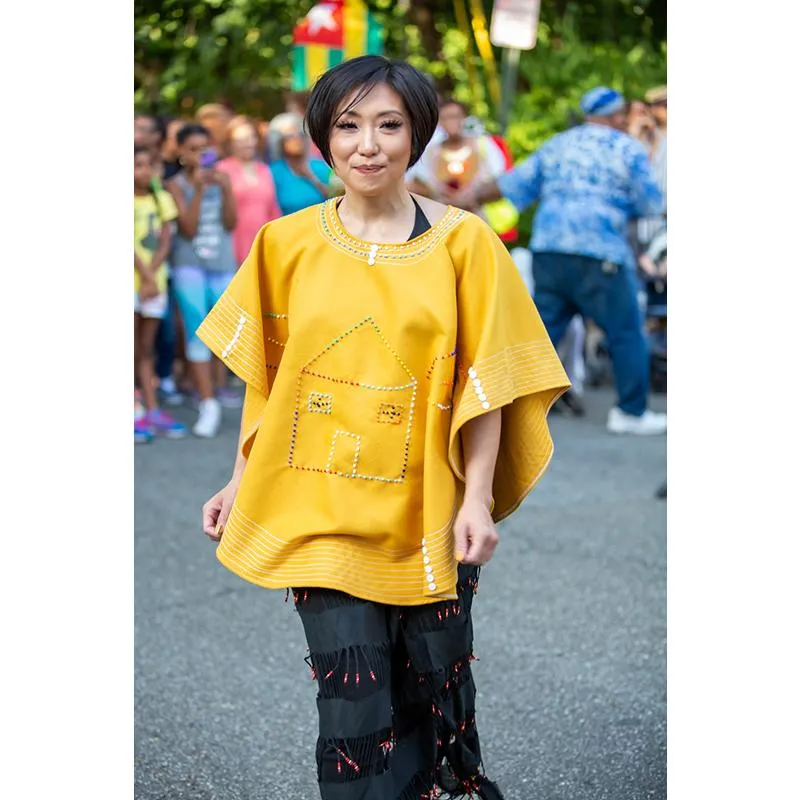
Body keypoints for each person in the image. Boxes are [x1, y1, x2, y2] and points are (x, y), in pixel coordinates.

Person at [197, 55, 570, 800]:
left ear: (417, 135)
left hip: (429, 509)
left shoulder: (467, 246)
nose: (368, 144)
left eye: (389, 125)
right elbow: (272, 380)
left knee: (432, 693)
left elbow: (488, 383)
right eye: (348, 125)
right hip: (317, 514)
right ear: (323, 139)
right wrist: (241, 479)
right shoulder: (284, 244)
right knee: (353, 701)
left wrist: (476, 500)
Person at [451, 86, 667, 435]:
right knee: (626, 331)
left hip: (549, 250)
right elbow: (651, 204)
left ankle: (510, 406)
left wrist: (464, 197)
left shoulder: (559, 143)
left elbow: (511, 184)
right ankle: (630, 411)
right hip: (601, 252)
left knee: (541, 331)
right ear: (616, 116)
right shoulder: (626, 148)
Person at [166, 123, 239, 437]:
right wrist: (197, 189)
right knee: (198, 332)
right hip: (189, 265)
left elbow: (231, 223)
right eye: (192, 149)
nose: (199, 155)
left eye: (204, 148)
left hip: (221, 263)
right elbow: (188, 228)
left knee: (223, 332)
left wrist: (224, 189)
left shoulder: (222, 179)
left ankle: (215, 388)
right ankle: (208, 403)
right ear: (181, 152)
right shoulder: (174, 185)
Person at [134, 146, 188, 441]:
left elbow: (166, 239)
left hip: (153, 283)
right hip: (137, 282)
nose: (144, 171)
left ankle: (151, 408)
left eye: (149, 165)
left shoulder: (162, 198)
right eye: (137, 165)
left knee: (146, 348)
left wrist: (151, 276)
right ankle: (134, 408)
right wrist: (144, 277)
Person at [217, 115, 283, 266]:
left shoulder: (264, 170)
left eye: (250, 137)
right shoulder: (222, 169)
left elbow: (273, 210)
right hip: (231, 247)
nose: (246, 144)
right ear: (230, 144)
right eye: (239, 140)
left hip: (263, 245)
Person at [267, 112, 334, 214]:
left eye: (300, 135)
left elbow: (335, 199)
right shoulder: (273, 172)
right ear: (279, 142)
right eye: (290, 136)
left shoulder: (320, 167)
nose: (297, 140)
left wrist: (311, 177)